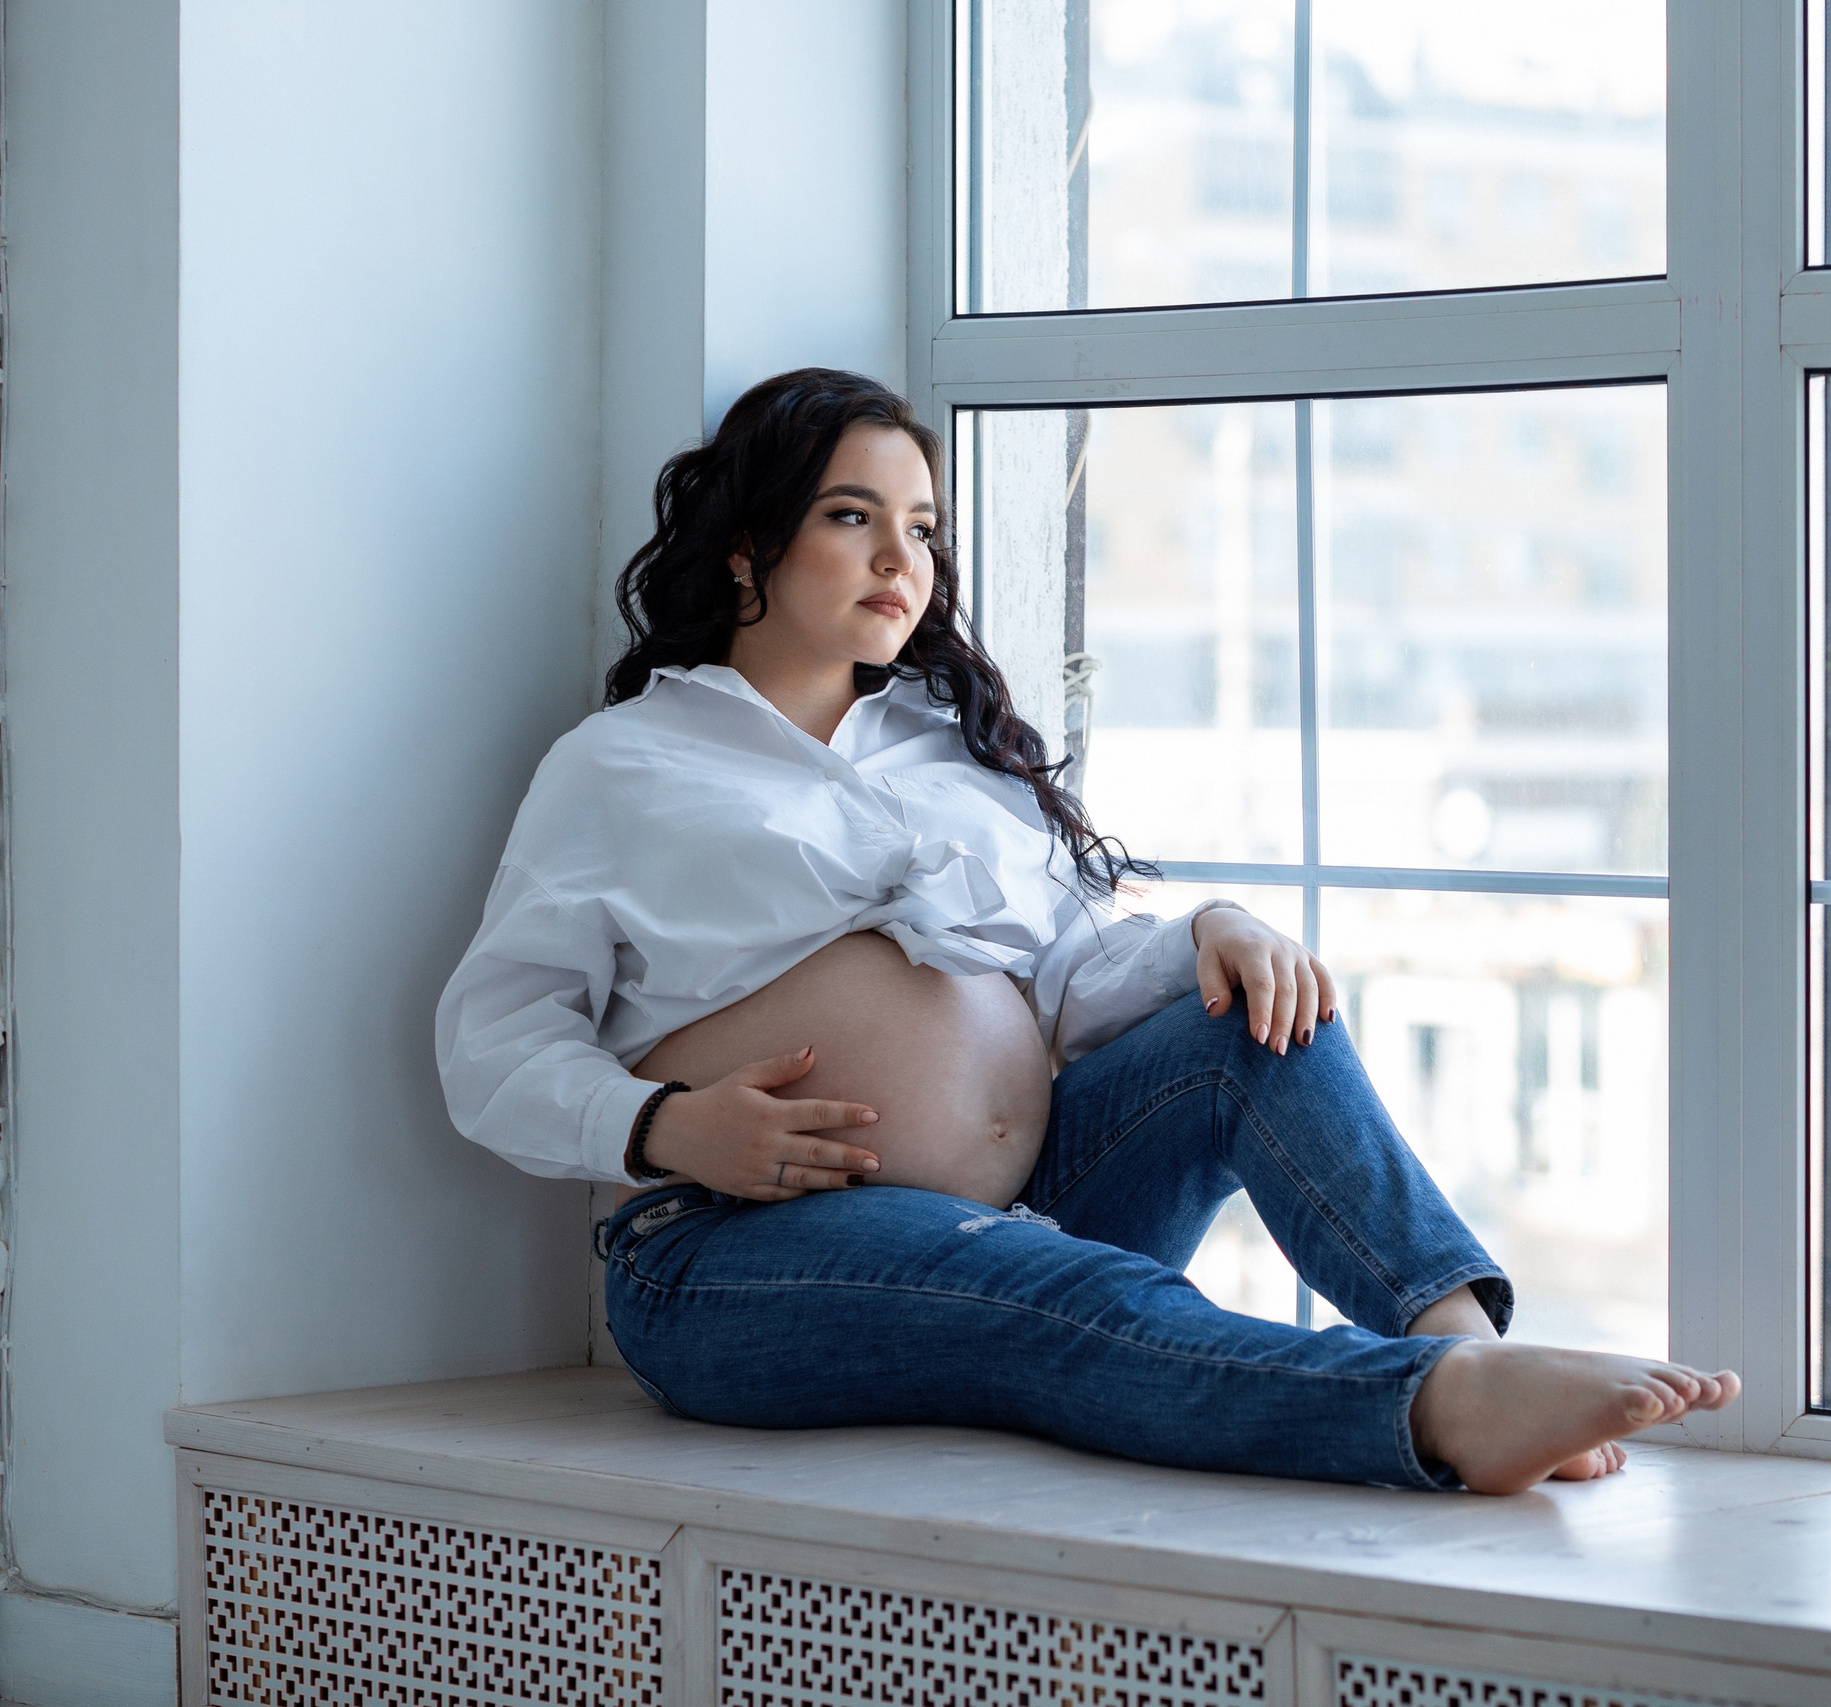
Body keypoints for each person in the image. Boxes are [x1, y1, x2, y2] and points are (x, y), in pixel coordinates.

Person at [436, 368, 1737, 1494]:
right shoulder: (624, 767)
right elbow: (490, 1043)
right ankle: (1426, 1410)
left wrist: (1213, 931)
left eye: (923, 529)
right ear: (745, 549)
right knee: (1052, 1296)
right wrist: (668, 1129)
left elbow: (1067, 980)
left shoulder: (957, 755)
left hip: (1043, 1203)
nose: (902, 559)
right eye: (853, 518)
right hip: (729, 1264)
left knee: (1256, 1031)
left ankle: (1470, 1343)